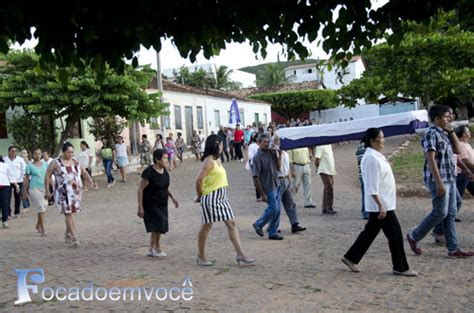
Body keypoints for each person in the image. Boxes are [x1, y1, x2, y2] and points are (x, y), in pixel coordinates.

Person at [341, 128, 418, 276]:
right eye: (381, 138)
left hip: (384, 203)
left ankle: (350, 257)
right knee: (395, 236)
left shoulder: (376, 156)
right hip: (381, 206)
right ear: (372, 141)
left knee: (369, 233)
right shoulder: (370, 158)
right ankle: (400, 266)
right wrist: (381, 205)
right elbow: (371, 185)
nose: (384, 141)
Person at [406, 105, 473, 258]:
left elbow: (456, 150)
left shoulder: (444, 133)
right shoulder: (430, 134)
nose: (449, 118)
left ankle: (453, 248)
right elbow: (431, 159)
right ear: (436, 119)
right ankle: (414, 236)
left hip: (450, 178)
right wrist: (439, 183)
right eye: (446, 117)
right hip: (439, 179)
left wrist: (451, 132)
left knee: (450, 213)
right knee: (440, 212)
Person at [195, 134, 255, 266]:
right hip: (211, 197)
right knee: (207, 225)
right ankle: (201, 255)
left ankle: (240, 254)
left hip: (222, 196)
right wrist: (199, 196)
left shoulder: (217, 160)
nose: (222, 146)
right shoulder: (209, 161)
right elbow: (199, 180)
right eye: (220, 144)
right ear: (215, 145)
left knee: (231, 223)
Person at [45, 142, 94, 246]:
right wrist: (47, 190)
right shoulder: (55, 162)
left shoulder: (75, 161)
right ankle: (74, 237)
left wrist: (90, 180)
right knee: (68, 213)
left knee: (72, 213)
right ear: (63, 152)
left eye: (72, 152)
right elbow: (47, 175)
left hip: (75, 192)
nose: (70, 154)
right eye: (68, 152)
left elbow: (84, 172)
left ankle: (67, 234)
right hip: (62, 193)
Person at [137, 149, 179, 257]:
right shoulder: (149, 172)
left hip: (162, 202)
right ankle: (157, 248)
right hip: (151, 203)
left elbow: (165, 187)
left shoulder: (164, 171)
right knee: (159, 224)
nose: (166, 160)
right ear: (157, 159)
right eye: (164, 158)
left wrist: (173, 198)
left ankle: (151, 249)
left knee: (157, 226)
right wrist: (140, 207)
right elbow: (140, 189)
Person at [252, 133, 283, 240]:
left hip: (276, 183)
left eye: (267, 142)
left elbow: (278, 167)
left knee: (278, 210)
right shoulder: (257, 157)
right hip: (267, 186)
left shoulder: (271, 153)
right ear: (259, 143)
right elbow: (255, 177)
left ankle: (273, 231)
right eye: (264, 142)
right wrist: (262, 193)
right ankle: (258, 224)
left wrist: (278, 153)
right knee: (273, 208)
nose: (266, 144)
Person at [273, 136, 306, 233]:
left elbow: (286, 168)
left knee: (290, 203)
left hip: (286, 179)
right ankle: (274, 225)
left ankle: (294, 223)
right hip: (278, 180)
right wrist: (277, 152)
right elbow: (278, 167)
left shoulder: (286, 153)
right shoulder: (274, 153)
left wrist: (289, 180)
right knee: (276, 205)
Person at [23, 148, 48, 236]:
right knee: (41, 207)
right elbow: (26, 179)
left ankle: (38, 225)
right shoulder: (29, 166)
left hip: (44, 187)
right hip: (34, 188)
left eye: (39, 154)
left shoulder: (45, 164)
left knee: (43, 207)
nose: (38, 156)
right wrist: (24, 191)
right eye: (35, 154)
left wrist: (52, 187)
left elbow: (47, 177)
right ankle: (43, 229)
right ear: (32, 155)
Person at [314, 144, 337, 214]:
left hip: (330, 170)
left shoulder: (329, 145)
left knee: (327, 188)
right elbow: (317, 159)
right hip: (324, 170)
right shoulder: (320, 146)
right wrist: (317, 168)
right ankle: (329, 207)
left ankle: (325, 207)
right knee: (329, 188)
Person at [4, 146, 27, 218]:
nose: (13, 152)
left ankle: (17, 212)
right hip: (7, 181)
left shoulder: (20, 160)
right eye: (12, 151)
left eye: (15, 151)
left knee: (17, 197)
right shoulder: (5, 159)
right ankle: (8, 213)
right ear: (8, 151)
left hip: (18, 181)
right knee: (7, 197)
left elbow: (24, 169)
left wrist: (22, 178)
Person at [0, 156, 18, 229]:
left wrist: (16, 185)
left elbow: (10, 175)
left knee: (5, 203)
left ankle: (5, 221)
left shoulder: (5, 165)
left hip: (5, 185)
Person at [355, 142, 369, 219]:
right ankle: (366, 212)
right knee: (367, 194)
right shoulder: (367, 149)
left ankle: (365, 211)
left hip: (361, 174)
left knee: (364, 193)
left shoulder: (358, 149)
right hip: (367, 174)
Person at [246, 132, 261, 201]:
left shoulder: (263, 145)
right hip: (254, 164)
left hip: (263, 164)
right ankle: (258, 196)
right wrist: (258, 157)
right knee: (257, 179)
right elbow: (250, 155)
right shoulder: (252, 146)